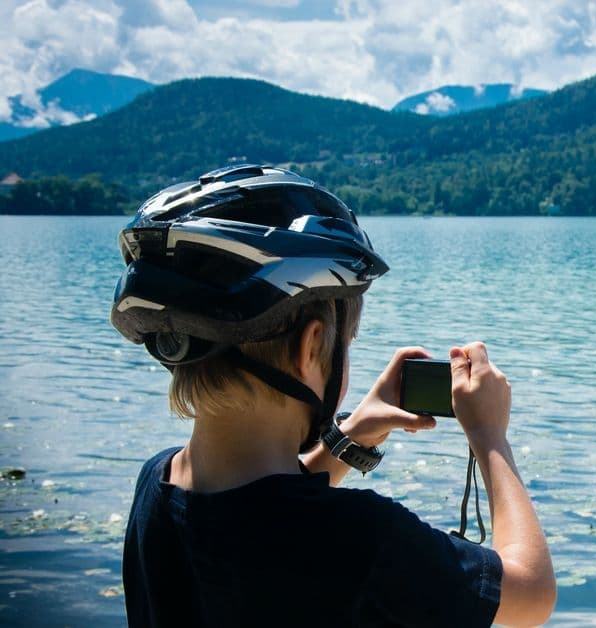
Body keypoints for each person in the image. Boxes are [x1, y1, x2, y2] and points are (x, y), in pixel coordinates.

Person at [110, 165, 555, 627]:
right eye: (346, 343)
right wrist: (489, 436)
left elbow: (264, 513)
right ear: (311, 346)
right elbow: (532, 594)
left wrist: (352, 435)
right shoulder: (366, 539)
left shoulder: (156, 484)